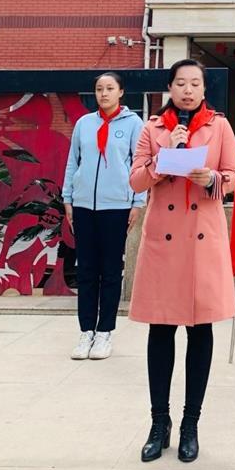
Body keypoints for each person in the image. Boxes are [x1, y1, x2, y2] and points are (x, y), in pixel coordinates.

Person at [128, 59, 235, 465]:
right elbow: (136, 179)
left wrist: (213, 179)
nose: (188, 90)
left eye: (195, 83)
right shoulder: (152, 128)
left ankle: (191, 424)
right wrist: (164, 160)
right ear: (170, 87)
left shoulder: (220, 126)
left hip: (202, 240)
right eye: (180, 83)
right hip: (164, 241)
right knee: (160, 330)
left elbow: (234, 176)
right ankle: (159, 424)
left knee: (200, 329)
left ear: (204, 89)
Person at [62, 71, 145, 361]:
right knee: (86, 270)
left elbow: (139, 164)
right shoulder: (84, 124)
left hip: (117, 207)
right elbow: (73, 162)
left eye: (110, 88)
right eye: (99, 89)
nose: (104, 93)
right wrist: (68, 198)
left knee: (110, 271)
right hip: (84, 206)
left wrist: (137, 201)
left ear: (121, 92)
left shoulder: (134, 124)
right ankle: (86, 330)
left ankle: (105, 331)